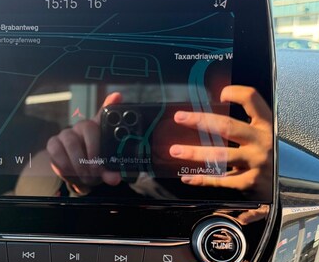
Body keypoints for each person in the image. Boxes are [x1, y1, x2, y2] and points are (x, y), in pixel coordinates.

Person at [43, 85, 273, 200]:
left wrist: (273, 184)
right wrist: (84, 178)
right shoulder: (129, 186)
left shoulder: (254, 172)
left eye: (210, 107)